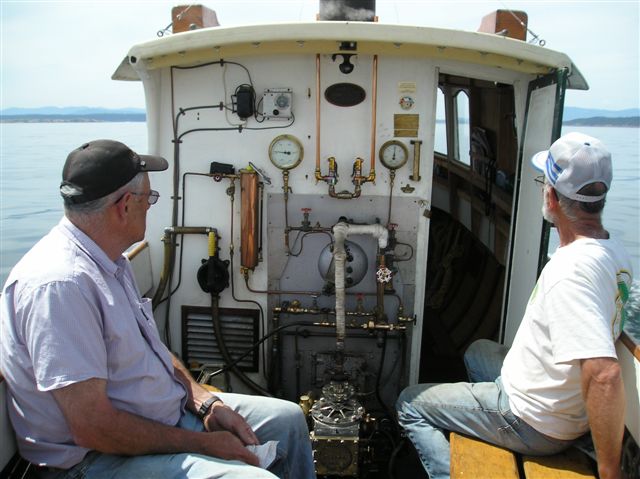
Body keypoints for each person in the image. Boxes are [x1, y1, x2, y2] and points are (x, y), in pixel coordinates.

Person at [0, 140, 316, 479]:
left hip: (169, 417)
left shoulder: (110, 262)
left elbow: (152, 351)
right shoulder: (62, 285)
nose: (150, 208)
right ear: (124, 206)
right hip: (95, 461)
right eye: (149, 200)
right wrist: (205, 445)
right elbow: (93, 428)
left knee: (288, 421)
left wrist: (205, 402)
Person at [396, 132, 633, 479]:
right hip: (555, 402)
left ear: (551, 196)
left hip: (534, 421)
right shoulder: (612, 249)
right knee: (478, 350)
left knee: (409, 403)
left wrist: (610, 471)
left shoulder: (570, 272)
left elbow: (604, 374)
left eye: (542, 182)